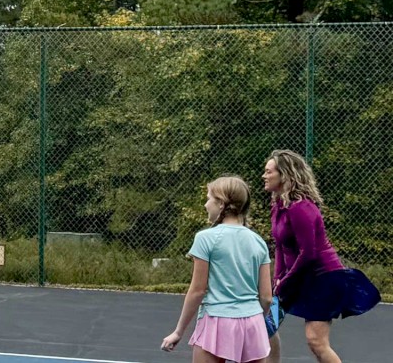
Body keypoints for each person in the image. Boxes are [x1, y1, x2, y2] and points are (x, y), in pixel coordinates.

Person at [261, 149, 379, 363]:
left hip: (323, 278)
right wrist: (277, 279)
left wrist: (285, 281)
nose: (264, 175)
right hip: (296, 277)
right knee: (266, 329)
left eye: (269, 172)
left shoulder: (302, 208)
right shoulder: (278, 206)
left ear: (284, 175)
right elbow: (280, 246)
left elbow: (308, 254)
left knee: (316, 341)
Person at [162, 175, 273, 363]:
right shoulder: (258, 242)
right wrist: (256, 323)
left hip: (216, 321)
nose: (206, 204)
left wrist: (178, 331)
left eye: (208, 198)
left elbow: (198, 290)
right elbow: (267, 297)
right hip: (253, 322)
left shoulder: (205, 238)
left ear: (221, 203)